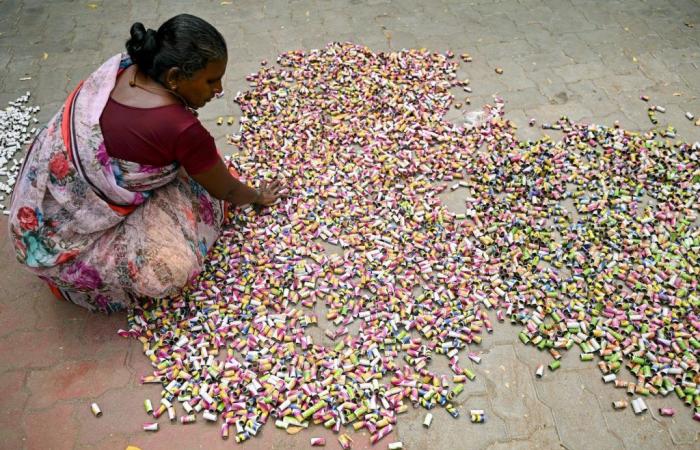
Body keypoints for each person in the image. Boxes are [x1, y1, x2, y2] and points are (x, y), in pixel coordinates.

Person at [7, 14, 282, 312]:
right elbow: (226, 191)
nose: (219, 91)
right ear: (174, 77)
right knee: (174, 265)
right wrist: (256, 196)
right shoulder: (183, 130)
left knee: (199, 168)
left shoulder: (124, 67)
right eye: (211, 81)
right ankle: (83, 282)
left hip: (42, 214)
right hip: (71, 244)